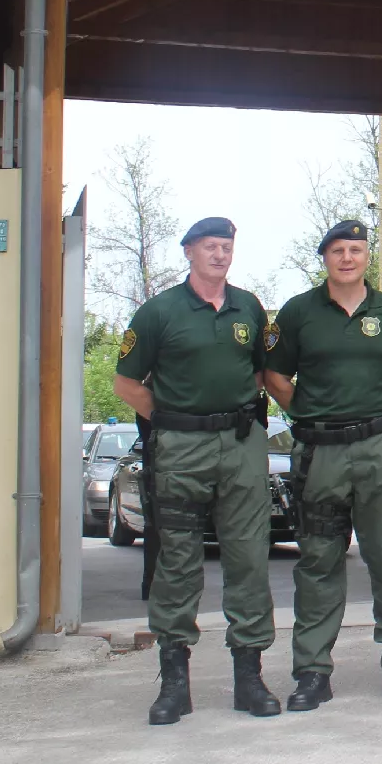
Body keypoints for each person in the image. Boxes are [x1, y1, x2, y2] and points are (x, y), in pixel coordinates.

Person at [113, 216, 279, 725]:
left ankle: (249, 679)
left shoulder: (248, 307)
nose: (219, 255)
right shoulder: (159, 312)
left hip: (240, 445)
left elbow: (259, 372)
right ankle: (174, 684)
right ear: (188, 251)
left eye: (226, 247)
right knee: (178, 560)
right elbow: (126, 384)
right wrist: (172, 419)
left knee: (248, 557)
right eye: (210, 246)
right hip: (181, 450)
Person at [263, 219, 382, 711]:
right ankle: (312, 671)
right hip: (320, 453)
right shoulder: (298, 312)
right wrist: (310, 413)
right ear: (325, 258)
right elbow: (274, 375)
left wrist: (375, 413)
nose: (348, 258)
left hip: (380, 448)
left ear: (367, 256)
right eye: (338, 251)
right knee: (319, 561)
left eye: (356, 250)